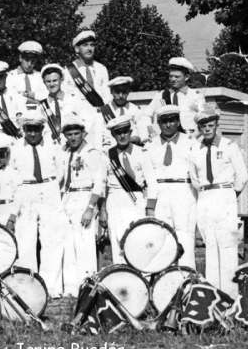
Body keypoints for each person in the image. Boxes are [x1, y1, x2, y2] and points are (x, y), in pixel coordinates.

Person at [188, 109, 248, 297]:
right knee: (210, 246)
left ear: (216, 125)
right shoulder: (195, 149)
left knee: (228, 246)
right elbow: (194, 178)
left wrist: (230, 194)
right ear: (199, 127)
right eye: (203, 126)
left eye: (210, 125)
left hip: (225, 196)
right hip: (205, 197)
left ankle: (230, 296)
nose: (207, 129)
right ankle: (214, 297)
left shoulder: (229, 146)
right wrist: (205, 194)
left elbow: (242, 176)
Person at [11, 110, 68, 297]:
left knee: (51, 239)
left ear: (42, 129)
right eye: (29, 130)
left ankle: (51, 288)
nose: (33, 134)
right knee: (25, 239)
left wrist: (49, 186)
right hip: (26, 190)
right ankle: (29, 288)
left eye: (36, 129)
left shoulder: (52, 146)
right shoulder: (16, 148)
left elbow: (61, 172)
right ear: (23, 130)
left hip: (49, 188)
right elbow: (13, 175)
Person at [145, 105, 198, 268]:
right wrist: (150, 205)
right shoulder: (150, 145)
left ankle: (187, 279)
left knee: (185, 237)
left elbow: (196, 173)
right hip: (160, 193)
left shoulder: (190, 142)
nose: (168, 125)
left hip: (184, 191)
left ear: (178, 121)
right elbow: (150, 178)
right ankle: (164, 280)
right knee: (162, 237)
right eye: (164, 121)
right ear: (158, 124)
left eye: (172, 120)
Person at [59, 114, 105, 297]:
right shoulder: (65, 152)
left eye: (76, 133)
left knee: (84, 243)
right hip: (68, 198)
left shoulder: (92, 153)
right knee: (68, 244)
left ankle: (87, 286)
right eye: (69, 134)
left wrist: (90, 208)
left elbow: (99, 182)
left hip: (85, 197)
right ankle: (71, 287)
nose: (72, 138)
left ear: (83, 133)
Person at [103, 115, 158, 265]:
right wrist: (102, 210)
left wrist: (150, 207)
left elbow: (152, 182)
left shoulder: (142, 152)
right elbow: (103, 184)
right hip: (115, 201)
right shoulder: (108, 155)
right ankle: (122, 280)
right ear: (113, 135)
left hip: (136, 201)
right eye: (118, 133)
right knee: (117, 243)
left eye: (125, 132)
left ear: (130, 132)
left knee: (138, 241)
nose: (122, 136)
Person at [145, 57, 206, 135]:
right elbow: (145, 115)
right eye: (171, 76)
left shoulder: (196, 95)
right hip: (166, 140)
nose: (173, 79)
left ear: (186, 77)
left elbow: (204, 118)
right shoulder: (161, 95)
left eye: (177, 77)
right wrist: (151, 130)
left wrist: (194, 137)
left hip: (190, 139)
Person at [62, 30, 112, 105]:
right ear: (77, 49)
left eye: (92, 45)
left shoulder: (101, 68)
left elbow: (107, 94)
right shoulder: (68, 70)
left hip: (100, 111)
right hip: (78, 112)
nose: (89, 48)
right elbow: (66, 97)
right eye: (85, 45)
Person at [102, 76, 150, 146]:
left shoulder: (135, 110)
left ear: (128, 92)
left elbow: (143, 131)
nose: (121, 96)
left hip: (133, 147)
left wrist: (139, 138)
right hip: (112, 149)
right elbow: (102, 134)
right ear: (111, 92)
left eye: (124, 92)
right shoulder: (104, 111)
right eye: (117, 92)